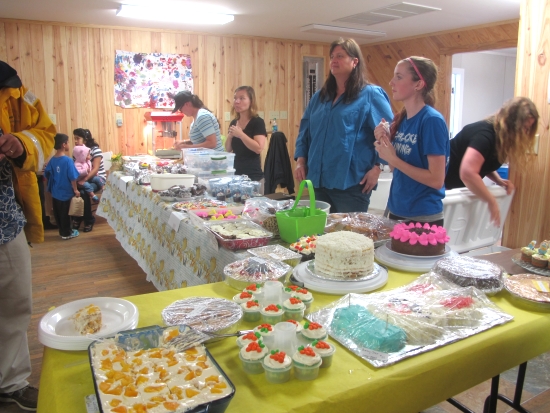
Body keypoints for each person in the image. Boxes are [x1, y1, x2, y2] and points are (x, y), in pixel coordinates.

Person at [0, 60, 55, 411]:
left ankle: (11, 381)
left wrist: (21, 144)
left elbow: (45, 134)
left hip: (5, 215)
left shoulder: (15, 86)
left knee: (15, 301)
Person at [294, 38, 393, 213]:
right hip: (318, 181)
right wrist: (301, 161)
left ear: (355, 62)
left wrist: (378, 168)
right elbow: (305, 132)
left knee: (348, 236)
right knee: (319, 234)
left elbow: (388, 133)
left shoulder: (370, 95)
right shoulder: (319, 97)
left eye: (340, 56)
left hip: (352, 183)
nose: (334, 60)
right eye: (332, 56)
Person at [374, 56, 450, 226]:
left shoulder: (431, 121)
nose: (391, 82)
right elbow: (397, 168)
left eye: (399, 77)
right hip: (397, 211)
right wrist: (385, 142)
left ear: (418, 84)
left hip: (422, 218)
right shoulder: (402, 120)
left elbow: (436, 179)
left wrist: (393, 158)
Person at [445, 97, 539, 227]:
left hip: (455, 188)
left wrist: (498, 180)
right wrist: (491, 201)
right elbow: (468, 172)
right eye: (524, 128)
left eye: (528, 129)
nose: (525, 133)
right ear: (511, 123)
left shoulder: (501, 139)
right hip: (440, 186)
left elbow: (483, 163)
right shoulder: (484, 135)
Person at [225, 86, 267, 184]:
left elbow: (258, 148)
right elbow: (228, 149)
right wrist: (230, 136)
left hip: (253, 176)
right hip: (236, 175)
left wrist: (241, 135)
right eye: (235, 98)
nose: (237, 101)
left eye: (242, 98)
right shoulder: (233, 122)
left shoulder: (258, 122)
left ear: (251, 101)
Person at [44, 133, 81, 239]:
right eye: (68, 142)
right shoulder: (68, 160)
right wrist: (75, 190)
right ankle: (67, 233)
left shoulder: (52, 160)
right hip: (66, 191)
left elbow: (47, 174)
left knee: (58, 212)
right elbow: (73, 177)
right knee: (66, 213)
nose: (69, 144)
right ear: (64, 144)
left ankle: (62, 231)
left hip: (55, 191)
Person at [72, 128, 106, 232]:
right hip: (83, 178)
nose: (75, 141)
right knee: (81, 191)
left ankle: (85, 219)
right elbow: (75, 167)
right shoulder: (77, 150)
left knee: (83, 191)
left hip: (97, 178)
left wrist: (84, 180)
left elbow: (95, 168)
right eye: (75, 138)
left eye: (78, 138)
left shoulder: (95, 150)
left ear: (85, 140)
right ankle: (86, 218)